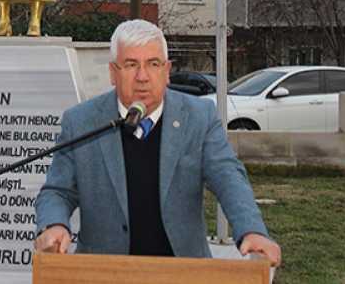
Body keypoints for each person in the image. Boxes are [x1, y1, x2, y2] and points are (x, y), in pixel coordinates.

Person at [34, 19, 282, 266]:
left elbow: (228, 177)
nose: (142, 77)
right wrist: (54, 225)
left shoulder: (199, 117)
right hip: (103, 271)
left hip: (182, 270)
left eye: (153, 64)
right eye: (131, 64)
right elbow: (58, 191)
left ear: (167, 71)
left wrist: (251, 230)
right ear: (113, 73)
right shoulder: (82, 121)